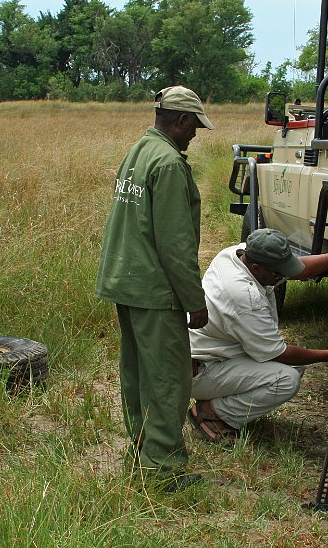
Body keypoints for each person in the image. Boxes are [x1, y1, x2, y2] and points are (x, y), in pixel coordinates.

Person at [96, 85, 213, 488]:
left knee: (138, 374)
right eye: (194, 125)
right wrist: (194, 302)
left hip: (125, 280)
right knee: (167, 378)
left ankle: (143, 450)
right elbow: (175, 244)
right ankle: (162, 470)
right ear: (180, 120)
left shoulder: (138, 151)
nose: (195, 134)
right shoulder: (167, 163)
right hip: (153, 288)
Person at [187, 228, 328, 442]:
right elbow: (278, 353)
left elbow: (298, 269)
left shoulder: (237, 254)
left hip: (205, 356)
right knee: (286, 377)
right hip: (199, 371)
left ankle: (223, 401)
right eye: (279, 274)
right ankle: (213, 413)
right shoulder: (244, 297)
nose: (284, 277)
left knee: (289, 366)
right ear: (257, 268)